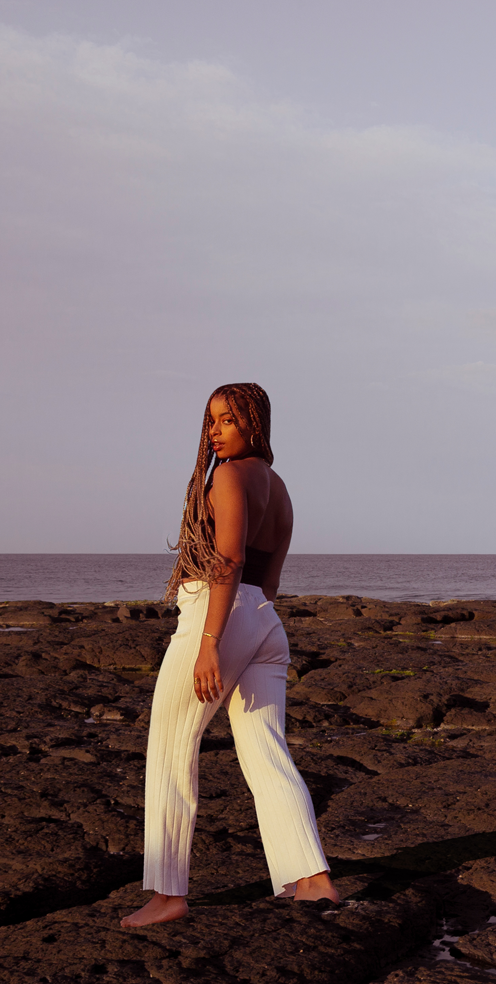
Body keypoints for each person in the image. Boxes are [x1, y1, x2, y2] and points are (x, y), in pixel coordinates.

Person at [123, 384, 338, 927]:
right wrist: (250, 626)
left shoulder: (228, 476)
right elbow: (269, 579)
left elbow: (229, 559)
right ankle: (312, 878)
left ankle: (168, 895)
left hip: (217, 616)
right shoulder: (281, 488)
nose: (214, 430)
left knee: (171, 747)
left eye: (226, 419)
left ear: (254, 423)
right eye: (210, 420)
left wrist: (211, 642)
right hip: (265, 620)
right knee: (267, 751)